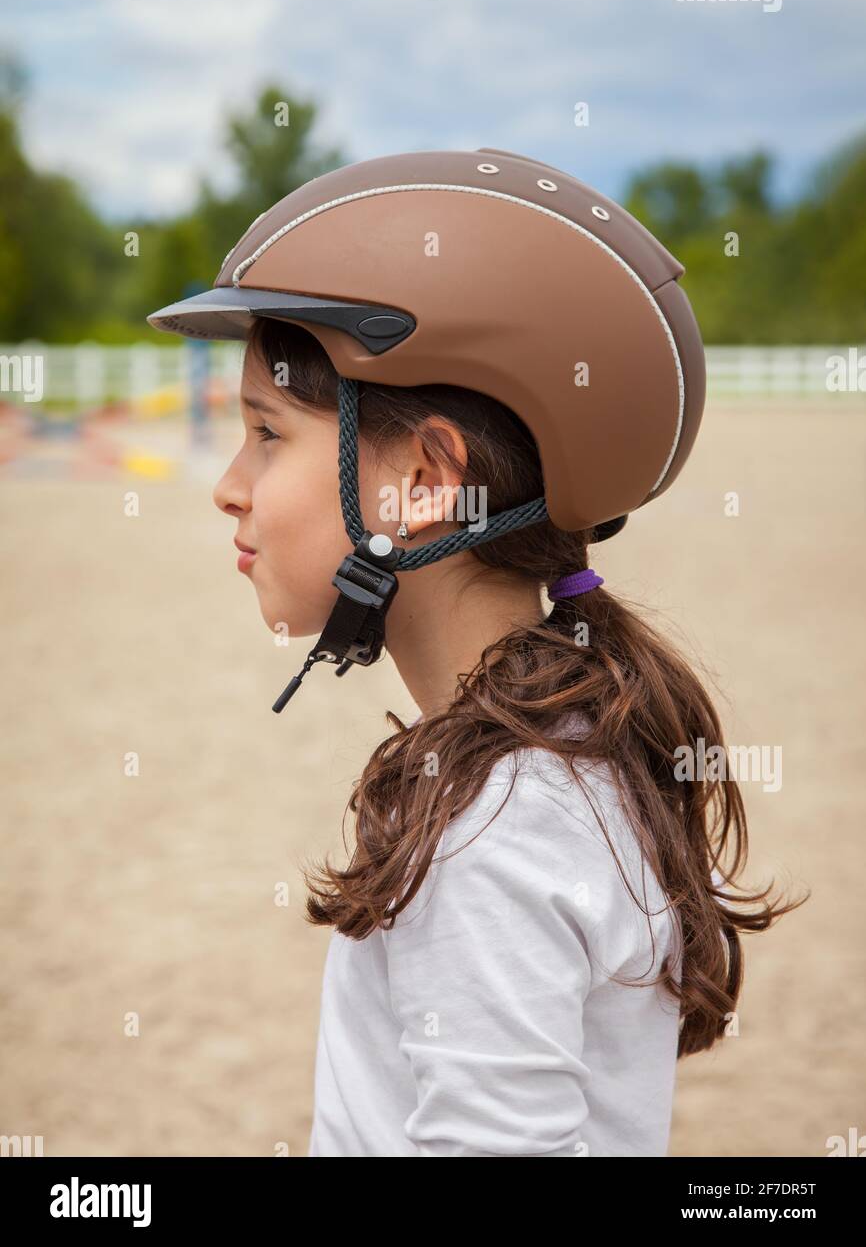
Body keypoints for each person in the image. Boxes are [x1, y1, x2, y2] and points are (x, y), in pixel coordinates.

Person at [147, 147, 804, 1157]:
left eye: (265, 433)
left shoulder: (490, 829)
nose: (228, 486)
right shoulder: (558, 749)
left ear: (423, 480)